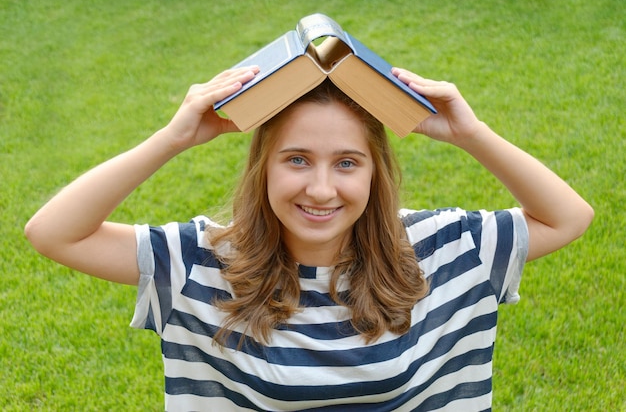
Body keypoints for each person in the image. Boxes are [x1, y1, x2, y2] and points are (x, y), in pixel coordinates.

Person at [25, 66, 593, 411]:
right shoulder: (202, 261)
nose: (321, 189)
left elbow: (567, 218)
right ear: (264, 168)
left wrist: (470, 133)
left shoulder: (441, 247)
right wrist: (172, 139)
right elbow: (54, 234)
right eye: (297, 159)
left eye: (347, 163)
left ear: (375, 173)